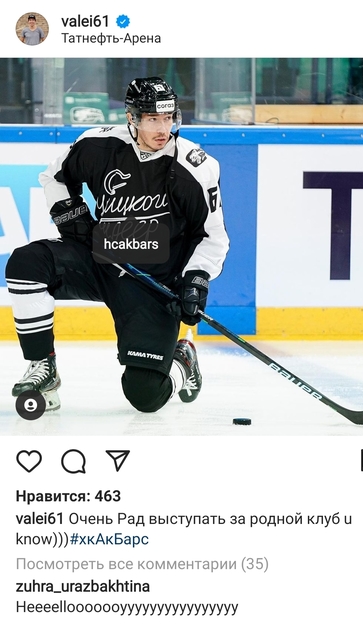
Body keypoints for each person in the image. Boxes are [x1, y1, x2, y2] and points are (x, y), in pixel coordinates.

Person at [6, 77, 229, 412]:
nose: (163, 129)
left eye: (168, 118)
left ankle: (182, 360)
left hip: (151, 282)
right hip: (101, 259)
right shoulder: (98, 146)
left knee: (145, 395)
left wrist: (196, 279)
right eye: (152, 119)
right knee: (26, 263)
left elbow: (212, 235)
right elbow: (54, 177)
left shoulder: (195, 167)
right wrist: (71, 215)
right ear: (131, 117)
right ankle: (43, 367)